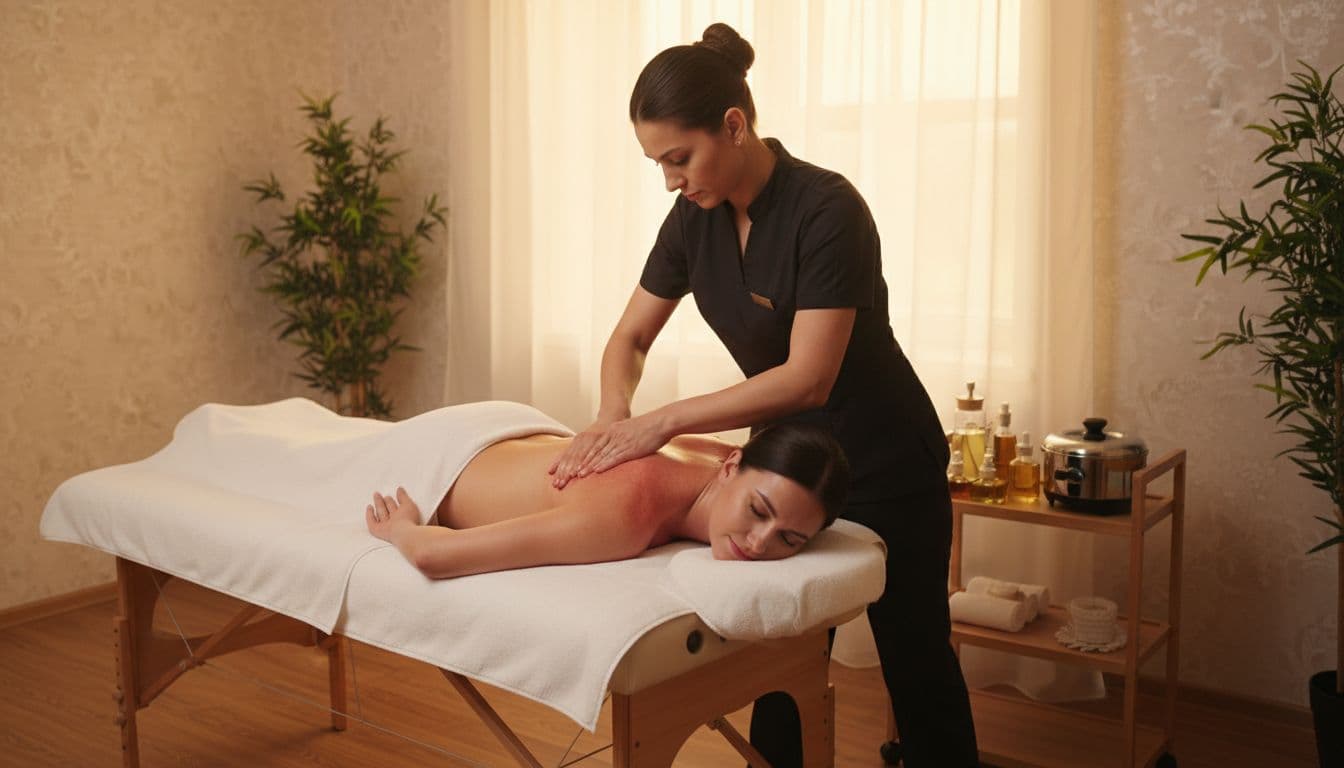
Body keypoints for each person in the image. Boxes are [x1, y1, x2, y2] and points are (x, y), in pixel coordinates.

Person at [545, 22, 978, 768]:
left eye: (679, 158)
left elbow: (809, 376)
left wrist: (660, 422)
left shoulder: (826, 210)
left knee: (915, 656)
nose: (672, 180)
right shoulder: (693, 219)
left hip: (884, 460)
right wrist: (613, 417)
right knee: (784, 666)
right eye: (658, 164)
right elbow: (630, 339)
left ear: (734, 125)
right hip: (784, 469)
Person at [366, 422, 848, 580]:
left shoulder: (723, 455)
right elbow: (435, 556)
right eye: (758, 511)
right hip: (440, 455)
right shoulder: (625, 514)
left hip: (518, 435)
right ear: (730, 467)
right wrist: (402, 528)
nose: (761, 543)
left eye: (790, 538)